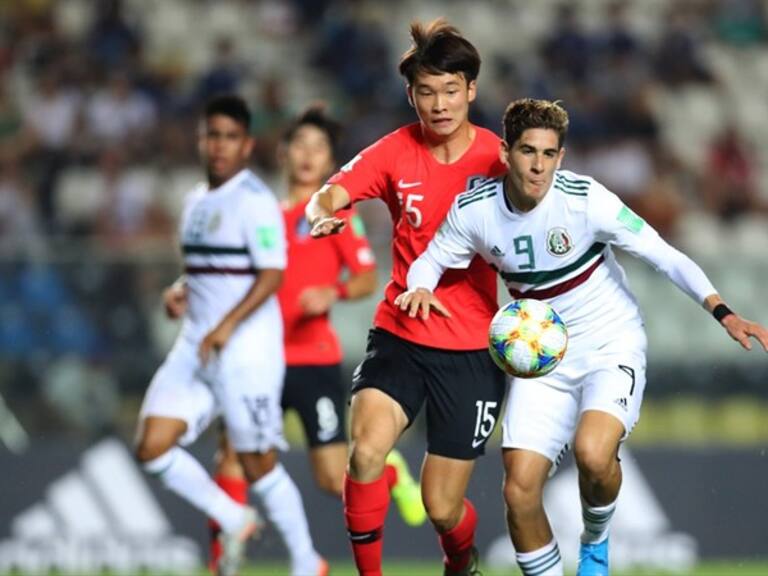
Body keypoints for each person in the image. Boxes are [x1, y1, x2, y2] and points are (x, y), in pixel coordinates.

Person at [396, 98, 768, 576]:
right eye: (528, 151)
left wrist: (723, 312)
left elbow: (663, 254)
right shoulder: (476, 211)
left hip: (608, 341)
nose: (538, 165)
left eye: (549, 154)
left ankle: (595, 541)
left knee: (594, 454)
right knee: (518, 489)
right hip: (539, 357)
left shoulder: (586, 199)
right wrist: (420, 287)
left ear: (561, 156)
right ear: (506, 153)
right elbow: (430, 259)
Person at [306, 19, 507, 576]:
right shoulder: (396, 151)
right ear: (410, 94)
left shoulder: (500, 161)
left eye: (450, 90)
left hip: (472, 349)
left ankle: (460, 560)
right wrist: (324, 216)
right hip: (400, 334)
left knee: (443, 509)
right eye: (426, 91)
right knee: (366, 452)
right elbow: (328, 195)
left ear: (470, 90)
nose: (439, 104)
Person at [206, 105, 427, 573]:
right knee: (232, 454)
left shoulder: (336, 214)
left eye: (319, 148)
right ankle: (221, 561)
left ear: (330, 162)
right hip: (260, 359)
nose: (308, 155)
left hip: (313, 359)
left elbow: (367, 278)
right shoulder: (260, 213)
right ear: (283, 154)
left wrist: (334, 290)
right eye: (300, 145)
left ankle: (389, 473)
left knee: (332, 477)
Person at [134, 95, 324, 576]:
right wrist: (180, 290)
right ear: (201, 140)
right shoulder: (196, 200)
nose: (219, 145)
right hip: (198, 346)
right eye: (211, 135)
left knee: (257, 463)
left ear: (247, 144)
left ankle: (308, 563)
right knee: (152, 445)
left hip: (246, 354)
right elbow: (209, 269)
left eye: (230, 137)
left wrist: (227, 324)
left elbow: (271, 275)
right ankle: (233, 517)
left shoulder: (255, 201)